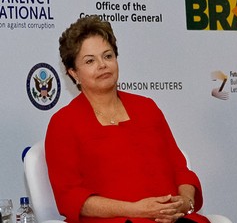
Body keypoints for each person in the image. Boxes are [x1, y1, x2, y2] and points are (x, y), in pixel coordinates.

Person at [45, 15, 211, 223]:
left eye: (107, 56)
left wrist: (185, 203)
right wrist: (136, 210)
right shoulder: (63, 123)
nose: (102, 65)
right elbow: (70, 197)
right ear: (73, 73)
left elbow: (180, 170)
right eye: (90, 61)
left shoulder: (146, 108)